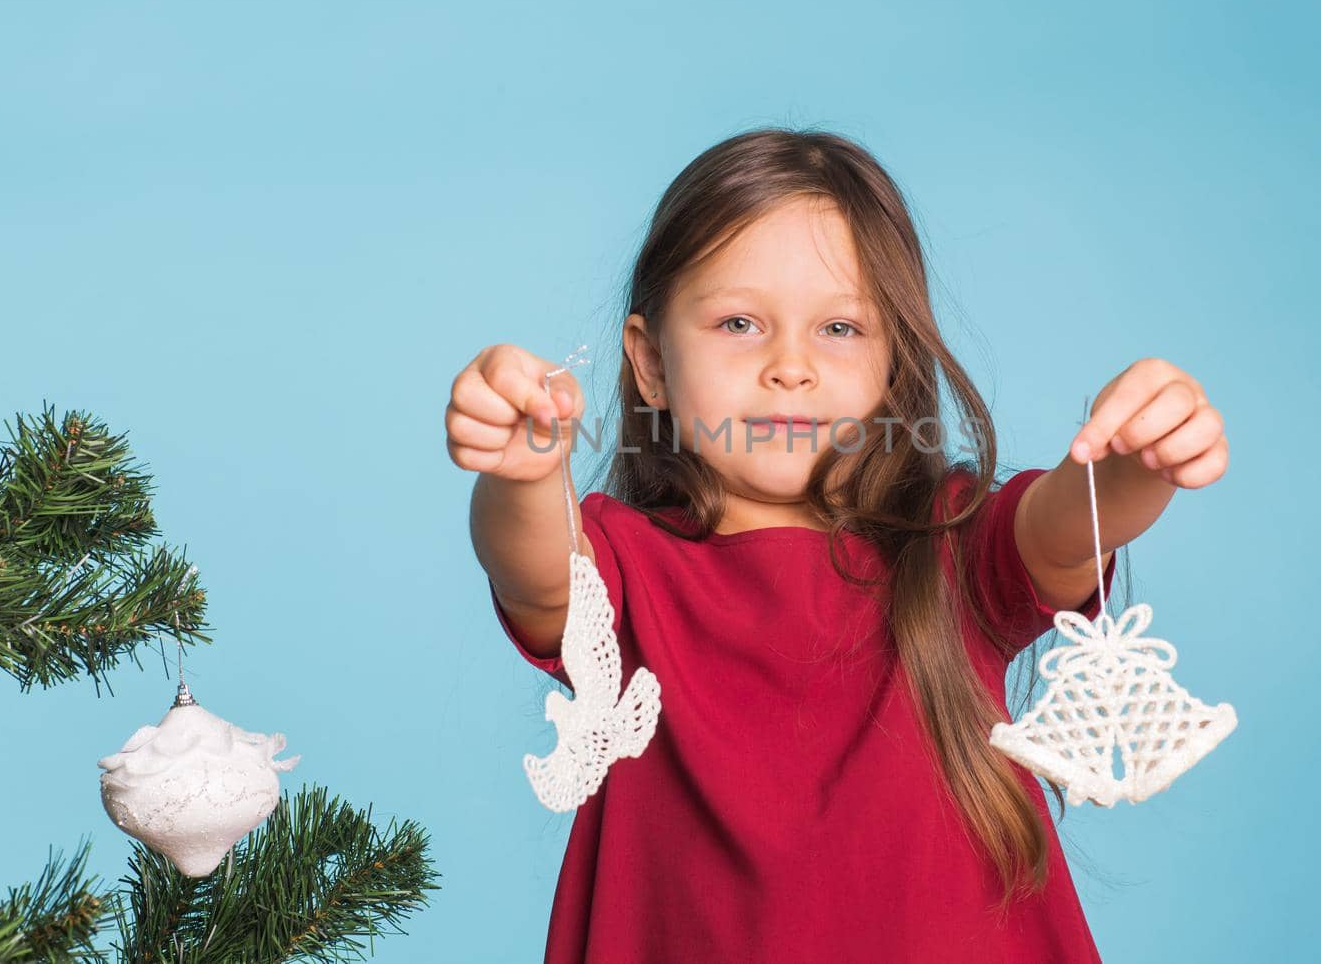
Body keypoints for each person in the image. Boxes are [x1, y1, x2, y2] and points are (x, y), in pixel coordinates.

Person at [446, 128, 1230, 963]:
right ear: (650, 364)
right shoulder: (623, 565)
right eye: (740, 322)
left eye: (841, 328)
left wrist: (1139, 461)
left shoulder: (954, 545)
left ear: (892, 363)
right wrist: (525, 473)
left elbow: (1065, 524)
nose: (792, 365)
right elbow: (535, 574)